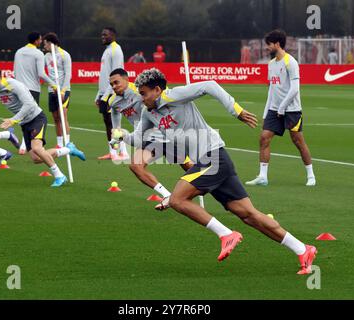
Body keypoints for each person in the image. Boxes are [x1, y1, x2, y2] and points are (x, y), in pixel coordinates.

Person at [113, 68, 317, 275]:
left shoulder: (174, 95)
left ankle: (226, 234)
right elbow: (140, 138)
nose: (141, 98)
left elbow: (209, 85)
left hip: (212, 156)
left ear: (157, 89)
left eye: (144, 93)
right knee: (248, 215)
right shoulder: (149, 112)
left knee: (176, 200)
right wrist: (123, 135)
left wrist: (235, 110)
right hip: (211, 161)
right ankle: (303, 249)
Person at [0, 68, 85, 187]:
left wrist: (13, 120)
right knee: (36, 158)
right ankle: (68, 149)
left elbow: (29, 104)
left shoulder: (13, 85)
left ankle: (60, 176)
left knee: (37, 148)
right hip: (25, 123)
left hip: (36, 118)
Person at [108, 68, 192, 207]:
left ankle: (219, 189)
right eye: (111, 84)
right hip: (146, 137)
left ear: (126, 79)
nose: (114, 86)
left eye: (116, 82)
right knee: (136, 166)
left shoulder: (141, 91)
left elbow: (165, 96)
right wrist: (116, 134)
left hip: (166, 134)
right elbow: (115, 116)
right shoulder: (114, 101)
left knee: (190, 168)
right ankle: (167, 195)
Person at [246, 30, 316, 187]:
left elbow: (294, 89)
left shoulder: (291, 62)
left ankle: (311, 175)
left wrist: (282, 108)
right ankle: (263, 177)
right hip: (274, 110)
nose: (267, 48)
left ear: (277, 44)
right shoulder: (271, 64)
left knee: (298, 141)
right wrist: (267, 112)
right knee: (264, 138)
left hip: (291, 110)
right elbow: (271, 89)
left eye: (269, 45)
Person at [14, 31, 56, 155]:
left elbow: (15, 71)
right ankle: (26, 144)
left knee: (22, 115)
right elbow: (41, 74)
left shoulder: (19, 51)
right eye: (40, 39)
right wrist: (53, 84)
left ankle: (24, 145)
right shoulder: (38, 53)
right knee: (32, 117)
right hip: (32, 89)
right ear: (37, 40)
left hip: (18, 88)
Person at [96, 27, 125, 160]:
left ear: (113, 35)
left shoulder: (116, 50)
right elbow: (104, 75)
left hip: (112, 92)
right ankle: (115, 152)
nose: (102, 37)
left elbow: (117, 74)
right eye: (102, 35)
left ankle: (118, 152)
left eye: (105, 35)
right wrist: (99, 94)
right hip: (105, 92)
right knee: (109, 122)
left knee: (114, 123)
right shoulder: (107, 50)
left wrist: (106, 95)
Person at [43, 32, 73, 148]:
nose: (44, 47)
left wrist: (62, 91)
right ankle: (59, 144)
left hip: (63, 91)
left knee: (63, 115)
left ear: (51, 43)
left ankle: (68, 144)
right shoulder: (47, 56)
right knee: (55, 118)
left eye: (45, 44)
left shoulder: (64, 55)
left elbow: (68, 74)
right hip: (51, 91)